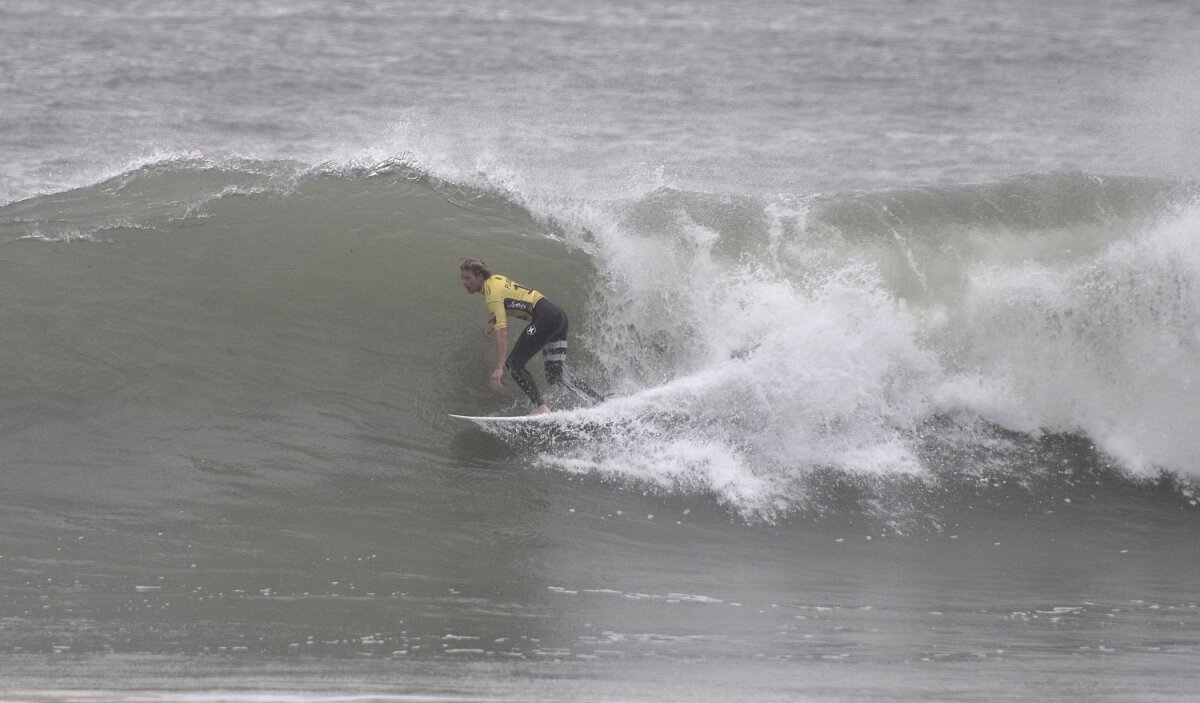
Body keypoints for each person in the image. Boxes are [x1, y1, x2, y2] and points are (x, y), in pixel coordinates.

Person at [459, 258, 604, 414]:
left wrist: (499, 367)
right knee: (555, 375)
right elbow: (511, 301)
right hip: (558, 317)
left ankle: (541, 407)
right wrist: (492, 321)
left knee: (513, 364)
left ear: (479, 276)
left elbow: (502, 332)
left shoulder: (490, 295)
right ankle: (598, 400)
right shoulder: (496, 280)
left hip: (545, 318)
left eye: (467, 278)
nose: (464, 283)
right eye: (463, 278)